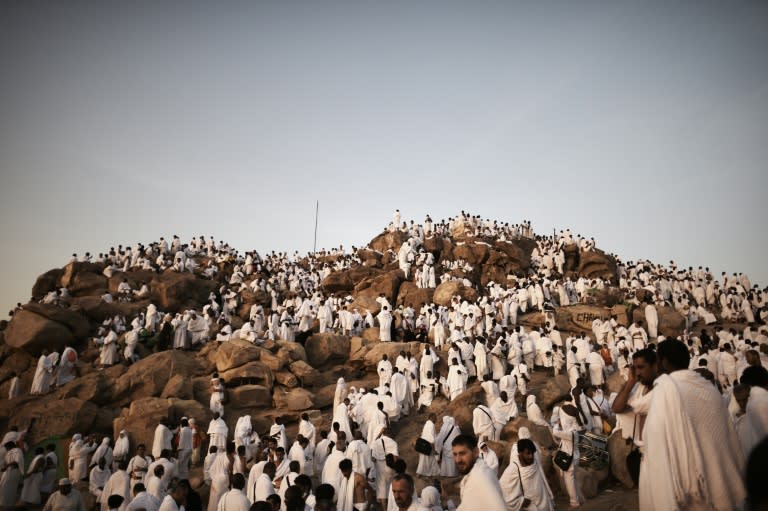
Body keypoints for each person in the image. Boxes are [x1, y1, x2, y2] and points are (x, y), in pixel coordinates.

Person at [640, 339, 746, 511]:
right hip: (718, 477)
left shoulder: (666, 389)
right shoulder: (708, 387)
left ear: (664, 361)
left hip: (690, 489)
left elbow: (655, 440)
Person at [450, 434, 506, 510]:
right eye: (455, 454)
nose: (458, 460)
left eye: (462, 453)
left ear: (476, 452)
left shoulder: (481, 477)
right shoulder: (474, 472)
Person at [500, 439, 554, 511]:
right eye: (528, 453)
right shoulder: (513, 469)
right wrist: (520, 502)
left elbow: (542, 483)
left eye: (532, 453)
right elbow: (503, 490)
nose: (531, 456)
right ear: (520, 453)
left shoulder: (535, 463)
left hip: (543, 505)